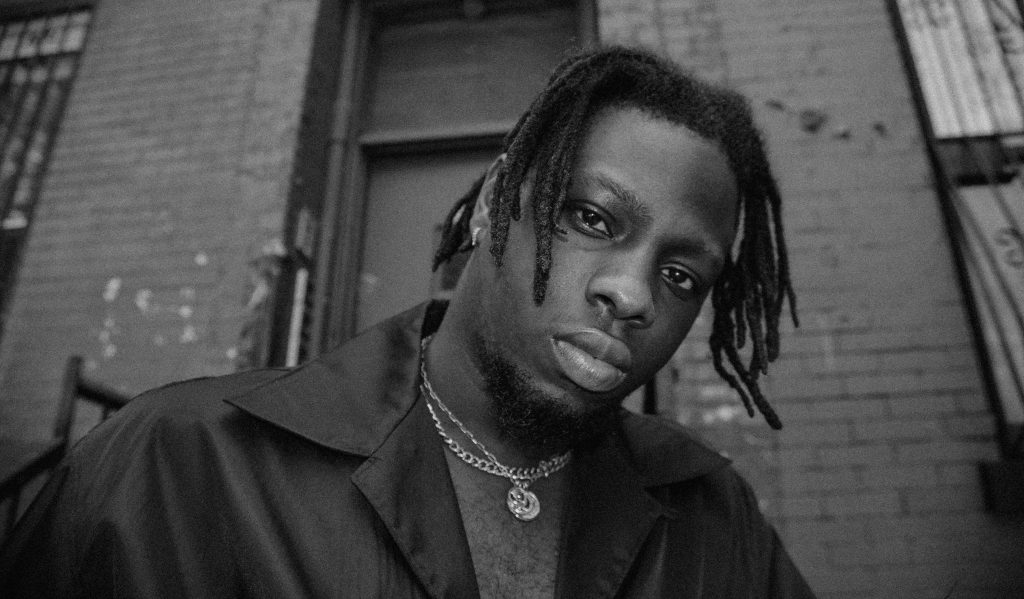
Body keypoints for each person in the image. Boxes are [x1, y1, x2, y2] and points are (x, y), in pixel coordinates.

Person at [0, 45, 814, 598]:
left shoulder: (713, 518)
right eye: (593, 218)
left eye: (681, 275)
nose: (633, 295)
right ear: (495, 200)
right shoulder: (180, 465)